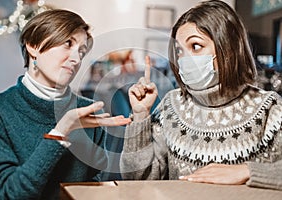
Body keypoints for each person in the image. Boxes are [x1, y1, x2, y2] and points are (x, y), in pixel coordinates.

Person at [120, 0, 282, 190]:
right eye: (179, 50)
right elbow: (137, 180)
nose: (184, 59)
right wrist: (140, 116)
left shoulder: (269, 109)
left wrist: (247, 171)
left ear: (227, 49)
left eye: (195, 46)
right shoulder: (170, 106)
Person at [0, 9, 131, 200]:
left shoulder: (91, 112)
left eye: (82, 51)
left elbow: (97, 189)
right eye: (67, 43)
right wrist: (60, 132)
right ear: (33, 46)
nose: (76, 59)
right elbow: (8, 194)